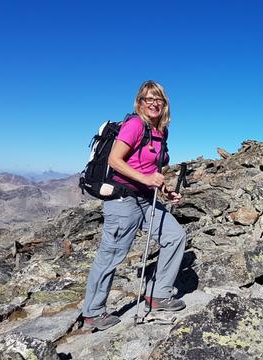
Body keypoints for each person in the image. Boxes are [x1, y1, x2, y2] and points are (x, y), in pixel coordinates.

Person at [81, 80, 187, 330]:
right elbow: (115, 160)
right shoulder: (135, 125)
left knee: (175, 236)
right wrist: (147, 179)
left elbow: (150, 168)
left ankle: (159, 294)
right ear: (139, 103)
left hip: (146, 198)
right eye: (148, 99)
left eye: (158, 99)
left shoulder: (160, 132)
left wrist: (165, 190)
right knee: (112, 255)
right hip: (122, 199)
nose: (154, 103)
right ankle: (93, 312)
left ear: (165, 103)